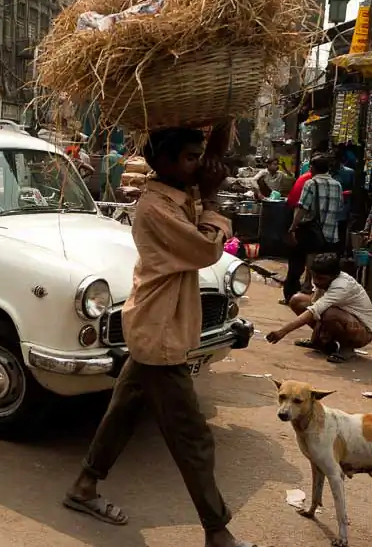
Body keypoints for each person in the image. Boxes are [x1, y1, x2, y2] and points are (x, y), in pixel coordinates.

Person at [63, 125, 257, 547]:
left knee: (122, 414)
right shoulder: (156, 208)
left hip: (155, 329)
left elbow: (207, 165)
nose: (197, 165)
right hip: (159, 335)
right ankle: (218, 531)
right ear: (164, 162)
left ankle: (83, 486)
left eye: (196, 157)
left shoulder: (176, 192)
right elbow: (208, 250)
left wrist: (217, 139)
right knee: (193, 438)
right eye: (189, 158)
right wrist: (215, 199)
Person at [268, 253, 372, 363]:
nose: (316, 282)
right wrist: (316, 338)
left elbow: (315, 311)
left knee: (330, 313)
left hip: (363, 331)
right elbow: (315, 306)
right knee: (297, 300)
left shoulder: (342, 285)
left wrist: (282, 332)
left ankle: (347, 349)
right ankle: (323, 343)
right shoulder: (323, 281)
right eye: (315, 277)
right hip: (343, 318)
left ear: (334, 276)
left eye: (321, 278)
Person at [282, 154, 342, 303]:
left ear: (313, 168)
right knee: (323, 268)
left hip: (311, 232)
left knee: (297, 263)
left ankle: (295, 295)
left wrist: (292, 228)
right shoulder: (337, 184)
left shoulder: (311, 183)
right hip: (330, 234)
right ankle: (318, 299)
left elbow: (302, 208)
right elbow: (339, 207)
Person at [331, 147, 354, 250]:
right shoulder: (327, 172)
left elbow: (354, 191)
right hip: (328, 209)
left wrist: (343, 193)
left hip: (342, 210)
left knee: (340, 234)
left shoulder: (349, 172)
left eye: (334, 159)